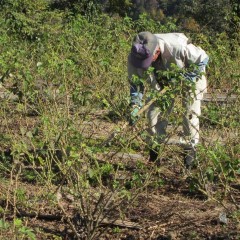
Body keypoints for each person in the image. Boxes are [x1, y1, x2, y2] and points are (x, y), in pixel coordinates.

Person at [128, 31, 209, 169]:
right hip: (162, 83)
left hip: (190, 77)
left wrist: (189, 75)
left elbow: (203, 58)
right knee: (153, 116)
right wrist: (135, 104)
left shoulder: (177, 45)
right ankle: (154, 158)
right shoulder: (135, 57)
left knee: (189, 116)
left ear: (157, 50)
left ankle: (189, 161)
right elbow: (136, 84)